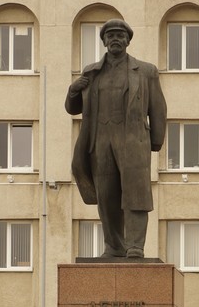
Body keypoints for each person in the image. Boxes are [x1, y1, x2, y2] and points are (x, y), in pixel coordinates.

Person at [66, 19, 167, 259]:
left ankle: (135, 245)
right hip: (100, 142)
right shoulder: (92, 72)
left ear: (128, 40)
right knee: (106, 196)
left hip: (133, 142)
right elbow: (73, 109)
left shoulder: (145, 71)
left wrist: (156, 140)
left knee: (136, 195)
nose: (115, 39)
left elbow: (158, 107)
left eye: (120, 35)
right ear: (103, 41)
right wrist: (73, 90)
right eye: (110, 35)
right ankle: (113, 246)